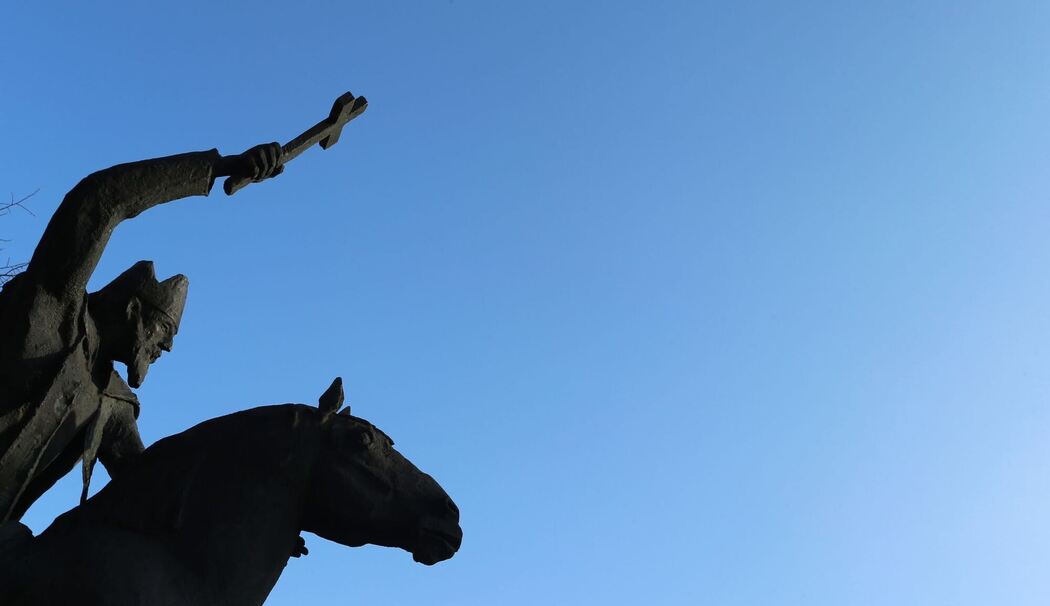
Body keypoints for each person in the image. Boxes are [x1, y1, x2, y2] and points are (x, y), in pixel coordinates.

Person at [0, 143, 283, 523]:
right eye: (164, 329)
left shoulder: (112, 403)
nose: (165, 346)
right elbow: (102, 199)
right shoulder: (54, 309)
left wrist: (251, 520)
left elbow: (149, 485)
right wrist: (217, 168)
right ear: (133, 309)